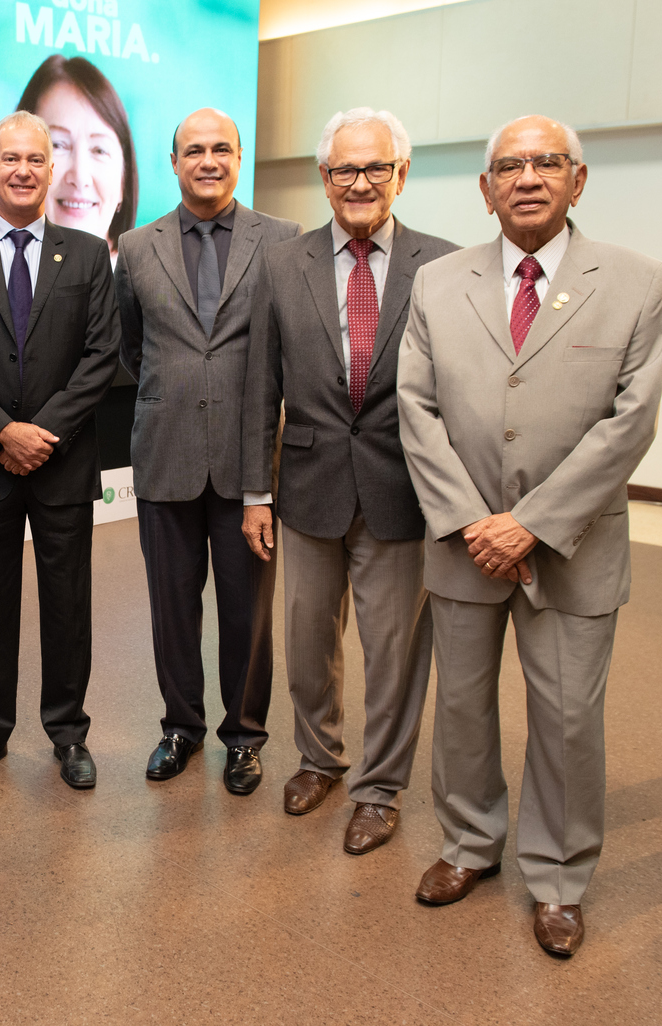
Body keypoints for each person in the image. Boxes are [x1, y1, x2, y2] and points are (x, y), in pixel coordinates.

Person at [397, 115, 662, 956]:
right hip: (463, 541)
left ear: (577, 180)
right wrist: (470, 519)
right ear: (486, 189)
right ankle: (468, 843)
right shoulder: (438, 283)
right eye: (509, 166)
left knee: (566, 718)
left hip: (574, 546)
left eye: (547, 162)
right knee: (461, 707)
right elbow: (416, 409)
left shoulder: (639, 282)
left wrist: (532, 524)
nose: (527, 177)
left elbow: (630, 424)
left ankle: (558, 878)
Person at [242, 108, 458, 853]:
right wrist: (256, 493)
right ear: (324, 177)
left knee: (394, 654)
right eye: (344, 169)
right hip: (306, 487)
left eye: (375, 168)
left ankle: (379, 789)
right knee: (307, 645)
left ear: (401, 173)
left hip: (403, 490)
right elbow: (259, 386)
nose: (359, 183)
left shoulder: (443, 265)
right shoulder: (282, 264)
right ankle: (319, 759)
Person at [0, 111, 120, 790]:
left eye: (36, 159)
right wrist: (2, 431)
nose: (23, 170)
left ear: (52, 169)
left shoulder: (88, 253)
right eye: (10, 158)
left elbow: (102, 355)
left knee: (68, 607)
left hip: (61, 463)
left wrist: (43, 433)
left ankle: (69, 734)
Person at [116, 108, 301, 794]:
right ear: (174, 162)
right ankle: (180, 728)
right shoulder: (136, 246)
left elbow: (282, 351)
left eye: (222, 148)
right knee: (172, 608)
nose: (208, 160)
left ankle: (245, 737)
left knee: (247, 614)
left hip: (248, 461)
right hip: (165, 454)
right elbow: (133, 347)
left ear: (239, 157)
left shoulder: (281, 240)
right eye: (194, 150)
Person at [17, 55, 137, 265]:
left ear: (123, 181)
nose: (80, 176)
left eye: (99, 150)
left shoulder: (152, 284)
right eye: (57, 145)